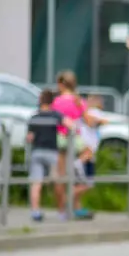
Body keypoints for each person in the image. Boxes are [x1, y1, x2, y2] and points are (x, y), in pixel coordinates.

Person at [50, 70, 94, 219]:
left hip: (59, 139)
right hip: (75, 140)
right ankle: (74, 203)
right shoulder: (78, 101)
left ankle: (62, 210)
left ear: (62, 84)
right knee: (88, 155)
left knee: (60, 176)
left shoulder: (56, 101)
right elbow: (88, 121)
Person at [26, 89, 66, 222]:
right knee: (57, 182)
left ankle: (35, 211)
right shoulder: (55, 116)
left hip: (37, 151)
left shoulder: (34, 117)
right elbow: (70, 124)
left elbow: (29, 137)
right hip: (52, 152)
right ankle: (61, 212)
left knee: (36, 183)